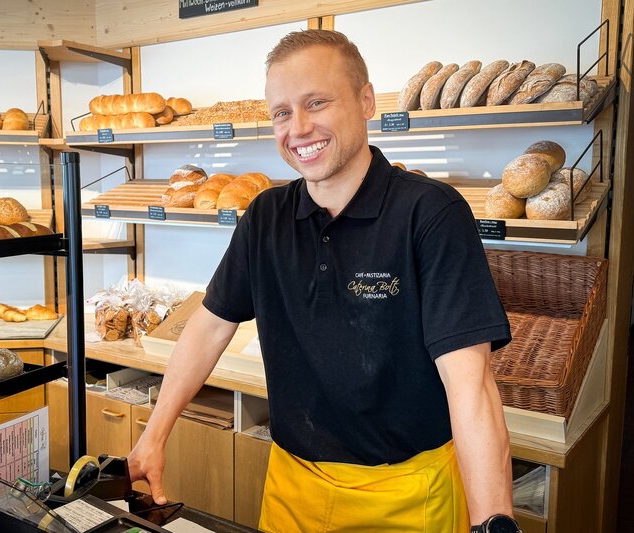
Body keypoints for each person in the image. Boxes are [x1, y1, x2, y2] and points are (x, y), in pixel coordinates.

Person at [128, 29, 518, 533]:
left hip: (407, 494)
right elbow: (208, 327)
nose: (299, 128)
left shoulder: (430, 213)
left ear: (366, 101)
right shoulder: (265, 216)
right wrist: (155, 434)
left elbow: (472, 387)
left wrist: (492, 521)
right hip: (293, 489)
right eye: (282, 112)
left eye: (317, 103)